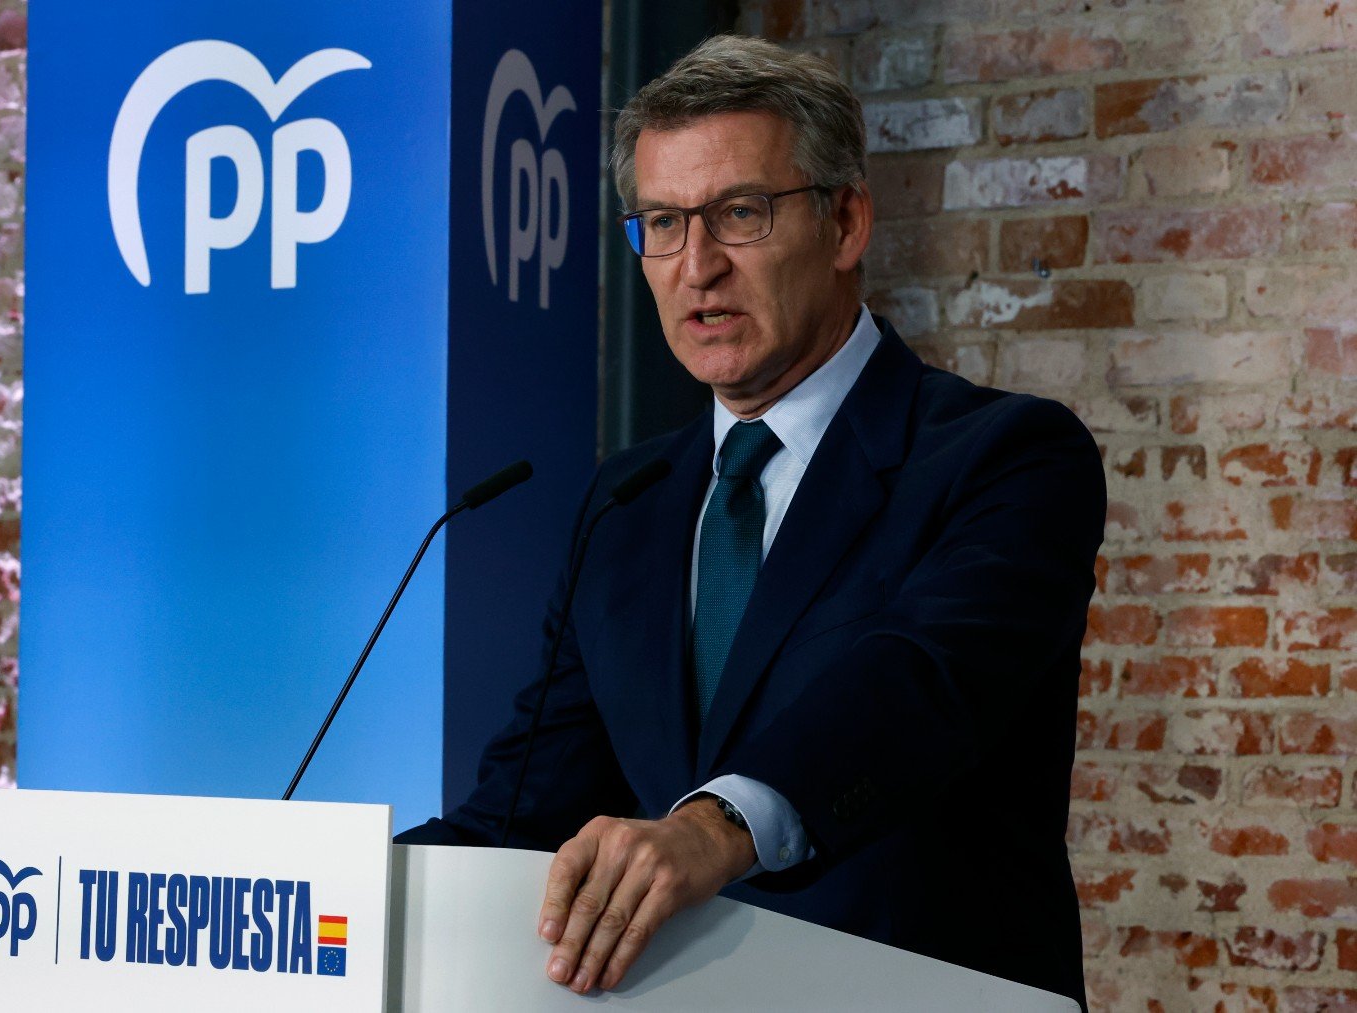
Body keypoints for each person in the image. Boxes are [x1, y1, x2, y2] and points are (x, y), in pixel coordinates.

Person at [397, 33, 1104, 1007]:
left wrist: (711, 827)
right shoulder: (626, 501)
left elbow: (917, 686)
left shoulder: (1006, 455)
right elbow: (524, 805)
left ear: (846, 220)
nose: (698, 266)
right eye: (662, 222)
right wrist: (342, 887)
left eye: (740, 213)